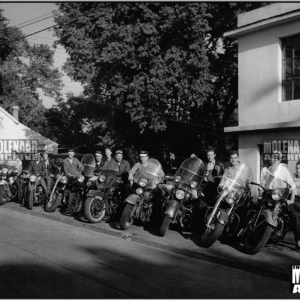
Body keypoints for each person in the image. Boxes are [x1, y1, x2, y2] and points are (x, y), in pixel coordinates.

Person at [289, 160, 300, 252]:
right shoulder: (292, 177)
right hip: (292, 200)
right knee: (295, 217)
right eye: (297, 168)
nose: (298, 170)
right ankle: (298, 242)